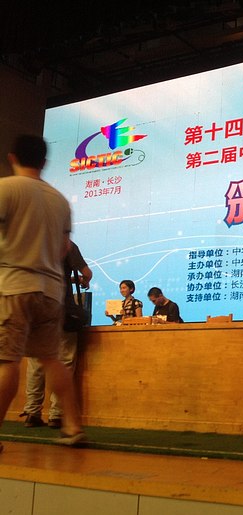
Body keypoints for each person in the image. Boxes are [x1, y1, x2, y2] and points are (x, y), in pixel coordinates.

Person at [0, 134, 85, 451]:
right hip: (51, 292)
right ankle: (72, 427)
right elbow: (64, 248)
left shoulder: (6, 189)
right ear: (44, 162)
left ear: (12, 158)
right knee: (52, 359)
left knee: (6, 360)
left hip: (14, 286)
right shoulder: (60, 200)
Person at [21, 240, 93, 428]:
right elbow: (87, 273)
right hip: (61, 310)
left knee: (36, 364)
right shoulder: (66, 244)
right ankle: (56, 414)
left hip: (36, 311)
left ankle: (32, 412)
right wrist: (83, 280)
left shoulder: (33, 243)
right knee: (64, 361)